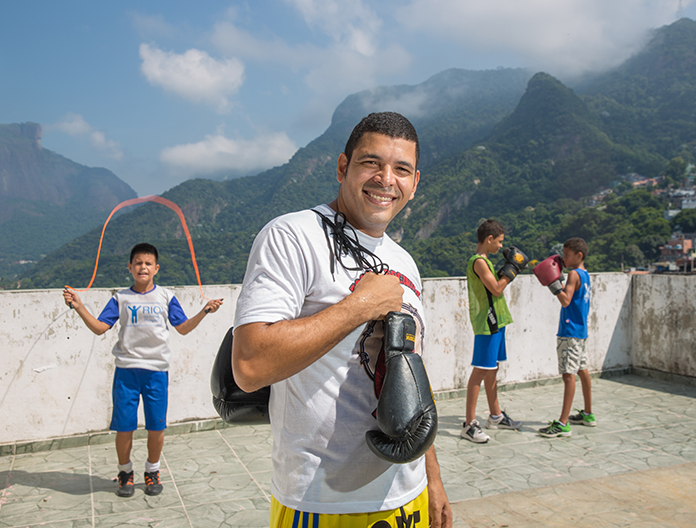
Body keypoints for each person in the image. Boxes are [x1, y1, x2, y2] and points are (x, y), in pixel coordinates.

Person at [232, 112, 452, 527]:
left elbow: (410, 377)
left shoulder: (404, 261)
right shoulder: (292, 236)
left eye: (401, 169)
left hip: (407, 494)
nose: (386, 179)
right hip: (321, 501)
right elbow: (249, 365)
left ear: (415, 182)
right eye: (371, 162)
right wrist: (360, 306)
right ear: (342, 167)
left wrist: (432, 479)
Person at [63, 243, 223, 497]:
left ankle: (152, 471)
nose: (143, 267)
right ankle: (125, 472)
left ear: (156, 268)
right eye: (138, 263)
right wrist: (79, 305)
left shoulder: (166, 297)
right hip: (126, 372)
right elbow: (99, 328)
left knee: (156, 426)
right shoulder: (121, 298)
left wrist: (205, 311)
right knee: (124, 426)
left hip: (157, 372)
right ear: (130, 267)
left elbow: (182, 327)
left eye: (148, 263)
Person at [461, 219, 523, 444]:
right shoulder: (478, 262)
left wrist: (506, 270)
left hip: (497, 321)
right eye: (499, 242)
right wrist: (511, 270)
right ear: (489, 239)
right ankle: (469, 424)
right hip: (488, 323)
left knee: (492, 369)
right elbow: (496, 289)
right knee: (480, 371)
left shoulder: (485, 262)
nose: (500, 246)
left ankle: (495, 415)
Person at [538, 237, 595, 438]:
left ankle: (563, 423)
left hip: (569, 332)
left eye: (568, 254)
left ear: (578, 255)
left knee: (568, 375)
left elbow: (565, 300)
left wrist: (552, 284)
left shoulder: (573, 274)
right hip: (581, 331)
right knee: (582, 370)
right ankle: (588, 414)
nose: (564, 257)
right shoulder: (586, 275)